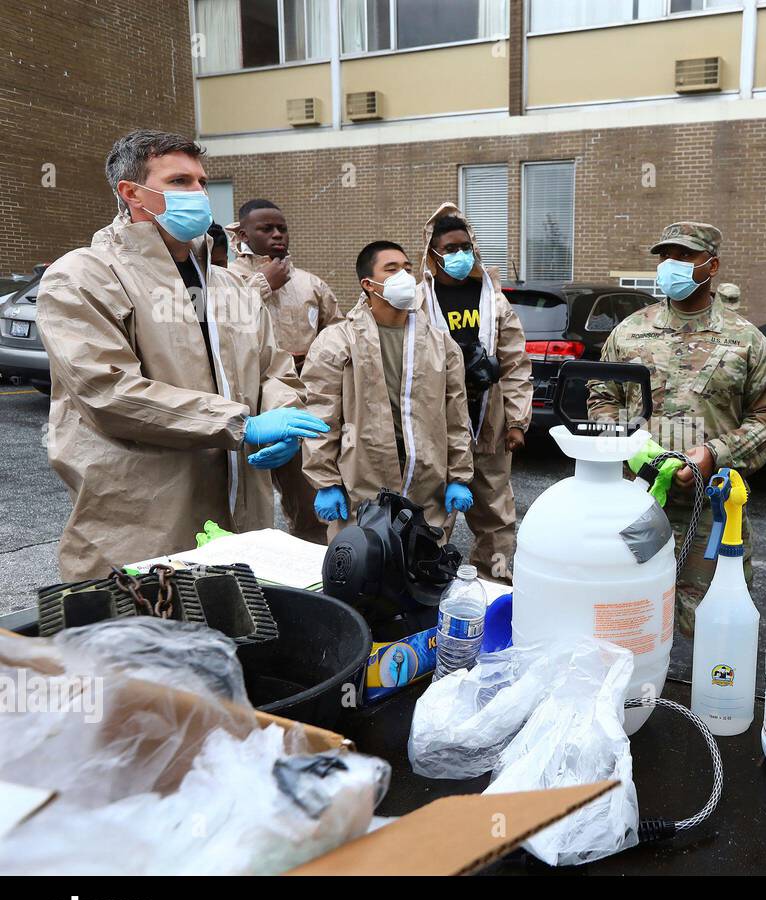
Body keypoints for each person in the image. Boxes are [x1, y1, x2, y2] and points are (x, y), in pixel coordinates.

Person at [37, 130, 324, 581]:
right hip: (144, 524)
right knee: (151, 625)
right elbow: (108, 392)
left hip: (242, 518)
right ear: (132, 193)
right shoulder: (83, 277)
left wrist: (281, 416)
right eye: (179, 182)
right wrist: (241, 424)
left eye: (201, 182)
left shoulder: (229, 286)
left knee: (237, 623)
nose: (198, 194)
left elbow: (273, 368)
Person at [588, 222, 766, 638]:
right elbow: (601, 397)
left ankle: (705, 683)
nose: (671, 265)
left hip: (712, 511)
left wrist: (715, 454)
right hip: (636, 502)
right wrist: (631, 446)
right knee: (627, 616)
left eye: (684, 256)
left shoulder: (745, 340)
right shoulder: (630, 332)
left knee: (711, 627)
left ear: (711, 266)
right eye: (666, 256)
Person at [301, 241, 474, 541]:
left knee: (424, 557)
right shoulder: (337, 342)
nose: (404, 276)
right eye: (391, 269)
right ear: (368, 284)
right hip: (362, 474)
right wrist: (326, 481)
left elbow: (456, 416)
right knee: (362, 556)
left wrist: (459, 476)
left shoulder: (440, 344)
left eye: (407, 268)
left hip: (425, 473)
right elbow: (320, 415)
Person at [419, 203, 531, 580]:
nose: (460, 255)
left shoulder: (492, 300)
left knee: (496, 513)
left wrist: (517, 421)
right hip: (436, 426)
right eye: (450, 249)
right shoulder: (419, 300)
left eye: (465, 247)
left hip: (488, 422)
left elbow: (515, 363)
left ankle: (494, 579)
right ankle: (428, 584)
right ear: (433, 253)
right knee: (432, 513)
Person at [226, 199, 343, 544]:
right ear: (243, 234)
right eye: (266, 229)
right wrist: (261, 284)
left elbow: (338, 334)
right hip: (248, 408)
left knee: (309, 499)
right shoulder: (226, 280)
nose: (277, 235)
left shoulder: (310, 284)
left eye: (282, 228)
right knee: (243, 504)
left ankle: (313, 560)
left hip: (303, 403)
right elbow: (217, 326)